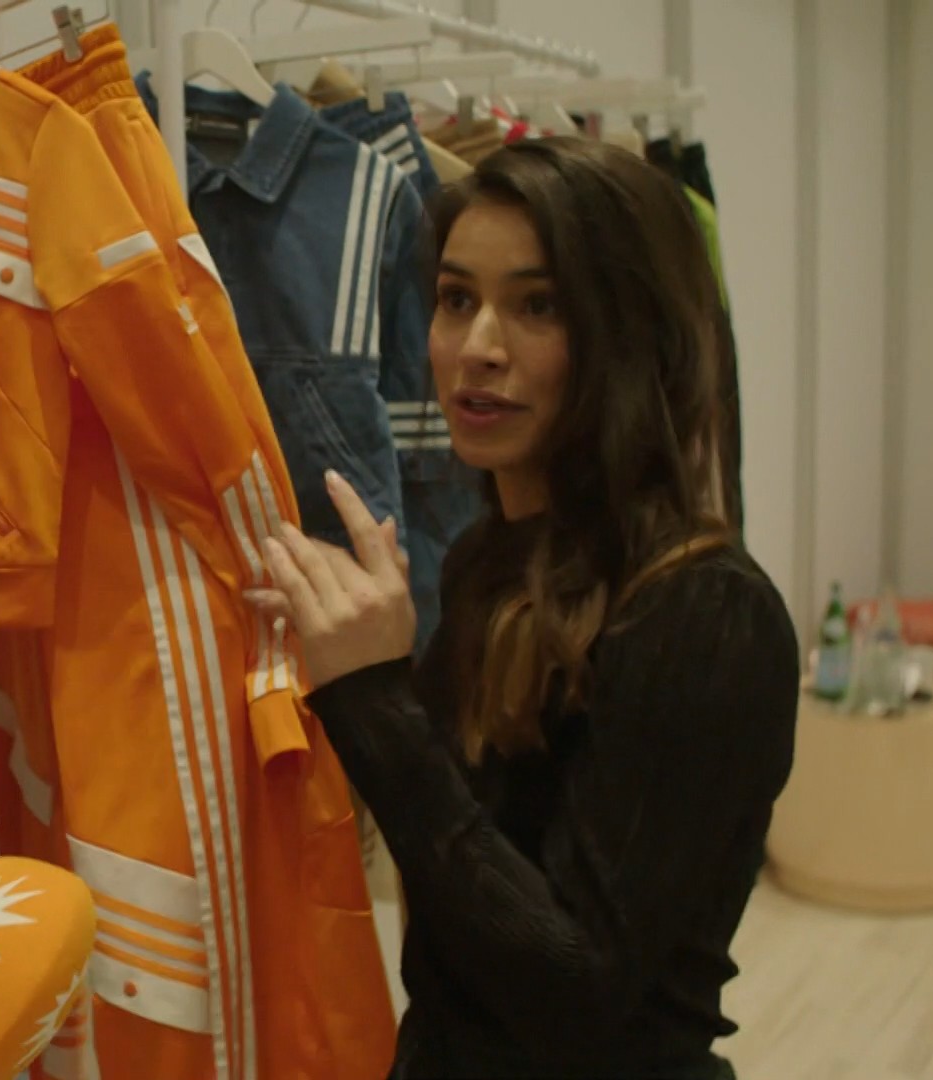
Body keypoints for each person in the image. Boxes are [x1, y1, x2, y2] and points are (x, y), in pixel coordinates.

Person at [245, 137, 799, 1079]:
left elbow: (574, 991)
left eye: (538, 306)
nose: (477, 349)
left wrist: (373, 696)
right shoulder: (487, 561)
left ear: (629, 333)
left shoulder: (706, 615)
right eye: (456, 299)